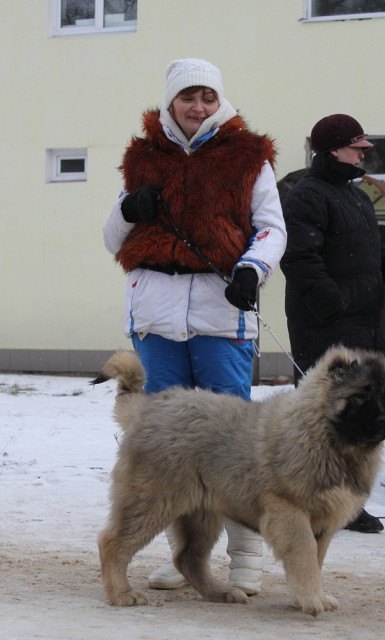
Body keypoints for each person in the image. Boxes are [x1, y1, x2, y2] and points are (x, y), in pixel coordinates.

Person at [102, 58, 287, 593]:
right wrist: (130, 207)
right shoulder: (144, 156)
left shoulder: (249, 156)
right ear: (171, 101)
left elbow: (272, 228)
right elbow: (114, 239)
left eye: (207, 97)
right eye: (188, 97)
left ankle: (246, 557)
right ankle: (184, 557)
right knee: (167, 445)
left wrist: (253, 269)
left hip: (220, 310)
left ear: (219, 102)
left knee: (235, 443)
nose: (198, 107)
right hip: (156, 317)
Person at [280, 113, 385, 533]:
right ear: (332, 150)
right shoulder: (305, 197)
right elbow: (299, 259)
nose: (365, 154)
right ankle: (310, 500)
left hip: (362, 323)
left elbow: (370, 251)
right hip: (324, 327)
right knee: (321, 420)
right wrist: (335, 306)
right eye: (358, 148)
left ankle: (347, 504)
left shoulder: (356, 196)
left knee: (358, 418)